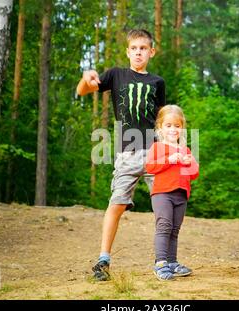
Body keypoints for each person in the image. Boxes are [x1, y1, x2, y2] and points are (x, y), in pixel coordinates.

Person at [76, 29, 166, 281]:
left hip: (154, 151)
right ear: (128, 51)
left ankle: (164, 260)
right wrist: (86, 77)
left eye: (143, 48)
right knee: (116, 205)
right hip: (127, 153)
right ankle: (103, 259)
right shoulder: (116, 75)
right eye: (134, 48)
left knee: (162, 205)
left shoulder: (157, 82)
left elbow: (161, 118)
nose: (138, 52)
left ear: (151, 51)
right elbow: (84, 90)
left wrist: (171, 145)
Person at [145, 105, 199, 281]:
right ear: (160, 127)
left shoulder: (186, 150)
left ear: (182, 127)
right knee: (164, 226)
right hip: (162, 193)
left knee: (174, 230)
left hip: (181, 194)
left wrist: (190, 162)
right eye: (168, 125)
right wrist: (169, 159)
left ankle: (172, 262)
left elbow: (193, 175)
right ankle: (160, 264)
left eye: (177, 126)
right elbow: (150, 167)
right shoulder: (158, 147)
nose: (173, 129)